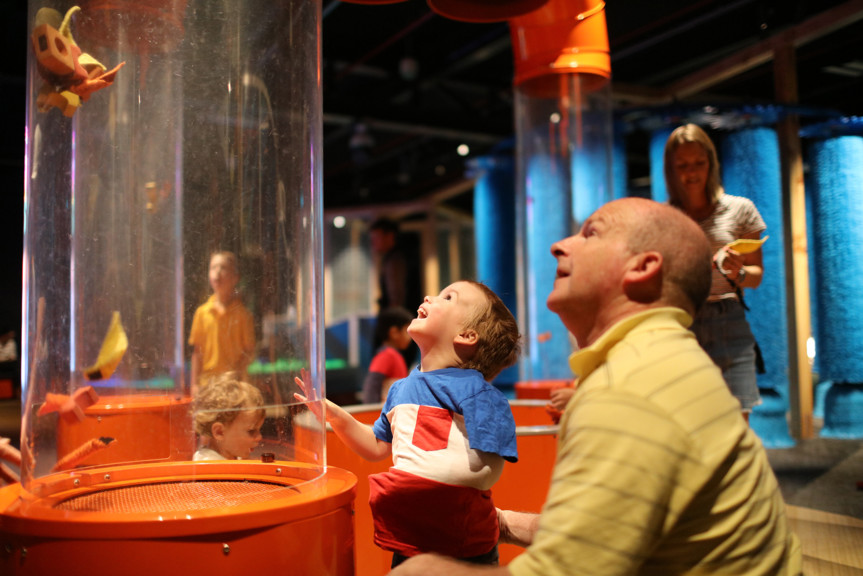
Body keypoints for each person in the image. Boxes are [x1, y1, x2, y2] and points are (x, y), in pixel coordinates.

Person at [390, 198, 801, 575]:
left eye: (591, 233)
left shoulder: (627, 391)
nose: (558, 246)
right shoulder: (655, 363)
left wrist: (425, 571)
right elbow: (611, 532)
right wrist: (496, 522)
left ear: (642, 268)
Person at [296, 280, 521, 568]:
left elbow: (489, 469)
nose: (428, 296)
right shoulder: (400, 390)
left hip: (466, 545)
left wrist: (415, 483)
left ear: (467, 335)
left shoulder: (479, 393)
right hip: (410, 542)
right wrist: (333, 414)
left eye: (448, 297)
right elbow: (377, 446)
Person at [664, 123, 767, 420]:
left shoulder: (740, 209)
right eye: (682, 165)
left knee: (736, 421)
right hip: (684, 321)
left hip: (729, 318)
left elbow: (757, 276)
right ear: (671, 170)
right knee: (689, 421)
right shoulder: (666, 217)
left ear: (711, 162)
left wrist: (739, 272)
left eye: (699, 162)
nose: (692, 172)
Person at [188, 251, 256, 394]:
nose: (217, 272)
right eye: (213, 267)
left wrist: (235, 378)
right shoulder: (202, 313)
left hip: (235, 388)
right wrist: (194, 384)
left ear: (235, 277)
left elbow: (249, 352)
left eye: (223, 268)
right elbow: (197, 353)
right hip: (208, 387)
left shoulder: (244, 315)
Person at [193, 374, 264, 461]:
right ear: (220, 432)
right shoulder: (211, 465)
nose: (259, 437)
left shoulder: (231, 456)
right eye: (251, 431)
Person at [362, 306, 414, 404]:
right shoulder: (387, 355)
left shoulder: (394, 355)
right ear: (394, 333)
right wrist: (371, 411)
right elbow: (372, 385)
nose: (410, 337)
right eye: (407, 331)